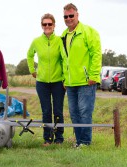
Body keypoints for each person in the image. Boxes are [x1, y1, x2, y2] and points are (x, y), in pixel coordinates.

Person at [61, 3, 102, 147]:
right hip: (70, 83)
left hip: (86, 81)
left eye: (71, 15)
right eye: (66, 16)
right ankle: (78, 142)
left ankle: (85, 142)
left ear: (77, 15)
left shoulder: (89, 32)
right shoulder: (64, 35)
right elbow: (64, 60)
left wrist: (93, 75)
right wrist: (65, 79)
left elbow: (96, 55)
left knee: (85, 112)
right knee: (74, 113)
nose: (68, 18)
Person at [27, 13, 65, 146]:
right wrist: (32, 69)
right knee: (46, 111)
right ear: (41, 26)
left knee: (58, 110)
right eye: (45, 24)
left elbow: (64, 59)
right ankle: (47, 139)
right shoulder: (36, 41)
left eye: (50, 24)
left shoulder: (60, 40)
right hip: (42, 82)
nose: (47, 26)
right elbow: (29, 55)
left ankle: (59, 138)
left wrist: (65, 78)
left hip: (58, 82)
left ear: (54, 25)